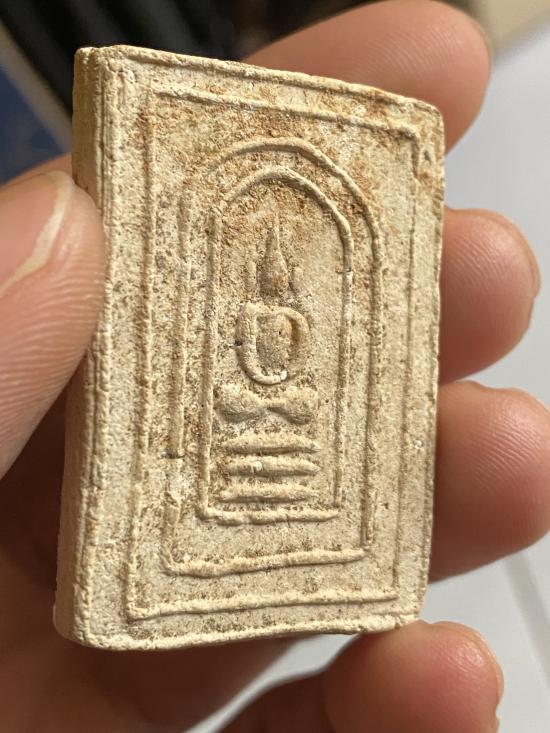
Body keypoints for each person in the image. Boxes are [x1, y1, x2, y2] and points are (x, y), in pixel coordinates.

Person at [0, 2, 548, 731]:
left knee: (303, 409)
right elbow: (244, 372)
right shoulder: (253, 313)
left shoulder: (293, 317)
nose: (278, 282)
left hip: (285, 423)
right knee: (241, 407)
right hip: (236, 422)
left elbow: (290, 379)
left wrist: (280, 389)